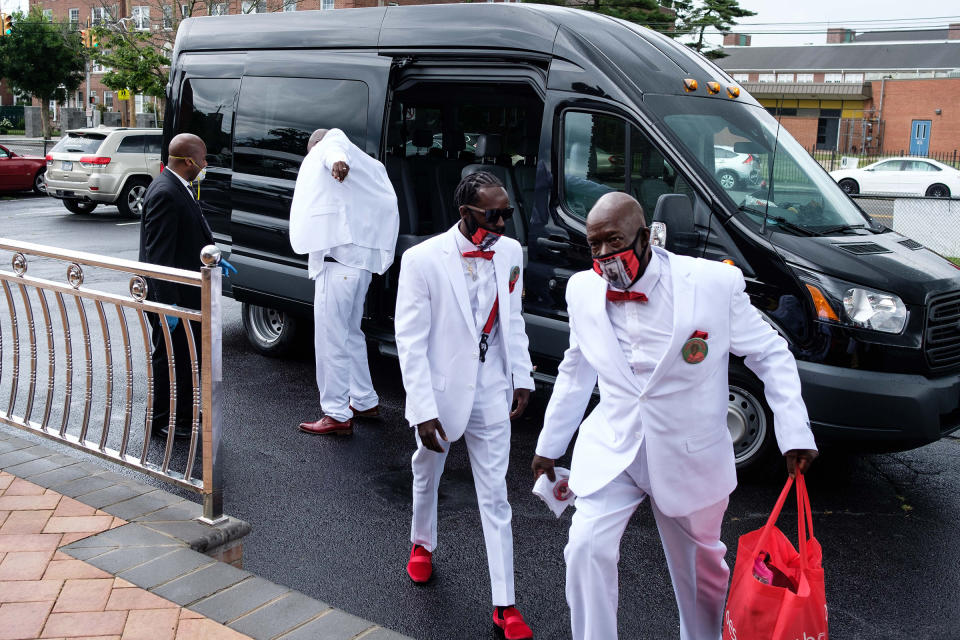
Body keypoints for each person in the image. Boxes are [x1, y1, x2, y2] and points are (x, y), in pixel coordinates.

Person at [531, 192, 818, 640]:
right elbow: (576, 368)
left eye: (614, 241)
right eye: (595, 245)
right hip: (615, 448)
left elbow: (770, 352)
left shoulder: (711, 285)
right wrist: (549, 446)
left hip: (690, 453)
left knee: (700, 574)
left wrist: (794, 431)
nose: (605, 254)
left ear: (643, 238)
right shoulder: (582, 289)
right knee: (585, 548)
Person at [394, 172, 535, 640]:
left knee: (495, 496)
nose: (501, 222)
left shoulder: (510, 252)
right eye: (492, 214)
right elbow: (410, 340)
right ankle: (421, 543)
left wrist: (522, 376)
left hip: (492, 389)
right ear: (465, 213)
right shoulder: (422, 260)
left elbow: (513, 319)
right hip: (441, 393)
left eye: (506, 213)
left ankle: (505, 603)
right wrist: (421, 407)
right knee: (427, 470)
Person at [289, 128, 400, 436]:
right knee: (350, 333)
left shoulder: (334, 145)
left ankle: (336, 412)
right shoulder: (369, 169)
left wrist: (336, 160)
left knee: (330, 339)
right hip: (359, 265)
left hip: (338, 266)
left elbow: (332, 148)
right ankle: (364, 400)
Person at [139, 133, 230, 439]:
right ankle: (164, 420)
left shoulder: (179, 186)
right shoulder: (166, 192)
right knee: (170, 358)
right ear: (189, 161)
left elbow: (191, 234)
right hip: (172, 296)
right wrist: (168, 305)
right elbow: (158, 256)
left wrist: (213, 258)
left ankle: (186, 413)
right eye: (203, 160)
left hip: (188, 292)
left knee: (187, 357)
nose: (205, 165)